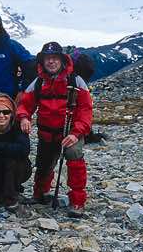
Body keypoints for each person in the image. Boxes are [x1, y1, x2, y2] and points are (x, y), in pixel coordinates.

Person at [16, 42, 93, 218]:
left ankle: (77, 201)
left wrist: (76, 133)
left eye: (54, 58)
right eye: (47, 59)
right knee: (43, 164)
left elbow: (86, 111)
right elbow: (25, 105)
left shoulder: (76, 81)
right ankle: (40, 194)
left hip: (70, 132)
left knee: (74, 157)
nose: (51, 62)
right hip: (46, 132)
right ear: (42, 62)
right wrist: (24, 117)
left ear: (62, 60)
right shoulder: (38, 82)